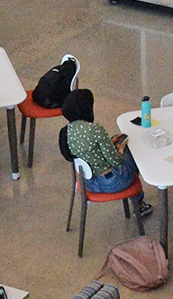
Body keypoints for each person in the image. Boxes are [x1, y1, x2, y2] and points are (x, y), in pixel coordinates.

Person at [57, 89, 151, 217]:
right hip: (112, 183)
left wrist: (111, 142)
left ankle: (139, 202)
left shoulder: (66, 132)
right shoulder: (95, 129)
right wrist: (121, 150)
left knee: (115, 142)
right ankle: (139, 203)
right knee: (130, 149)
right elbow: (115, 160)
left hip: (88, 183)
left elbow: (90, 151)